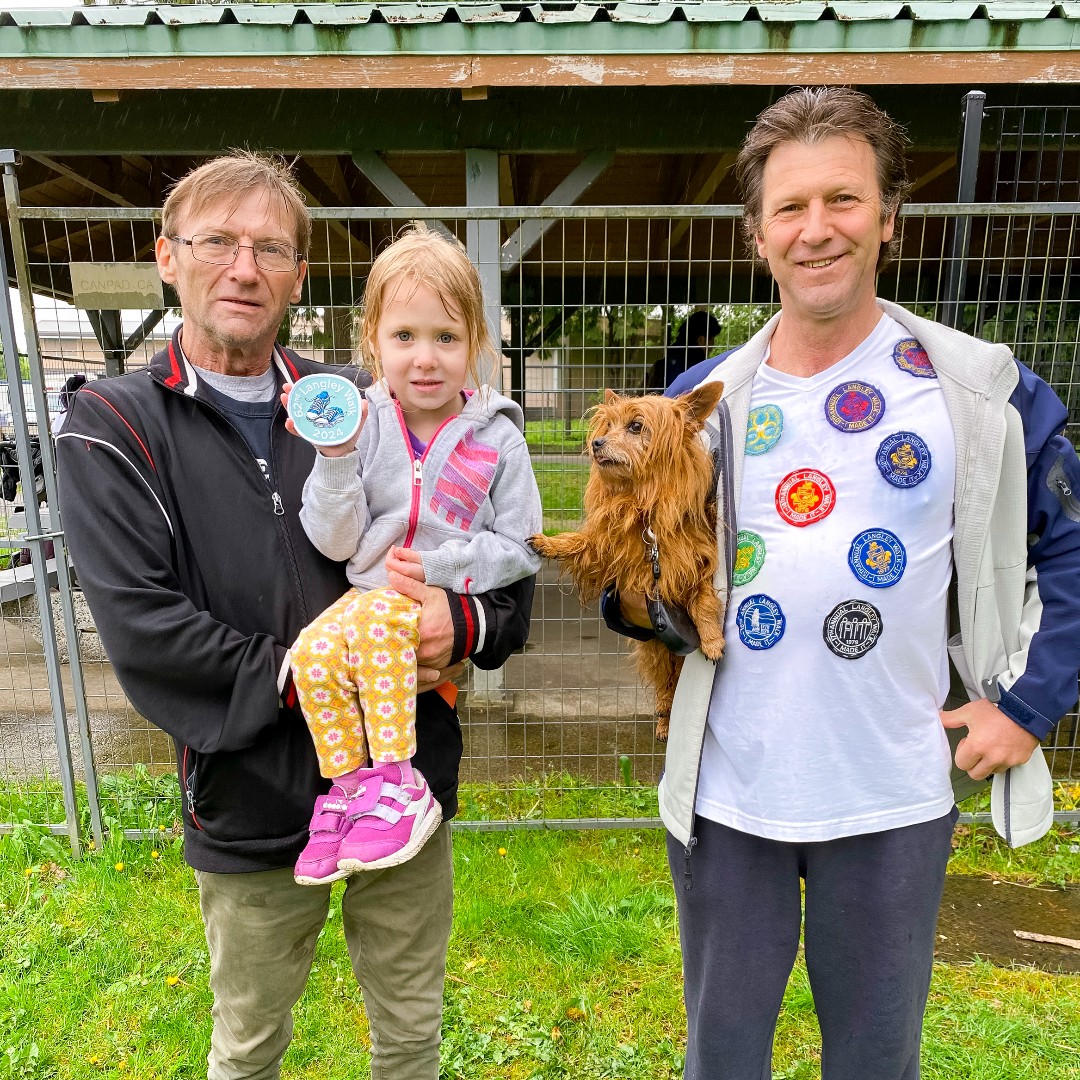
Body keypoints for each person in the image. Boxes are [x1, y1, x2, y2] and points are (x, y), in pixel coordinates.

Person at [604, 87, 1080, 1079]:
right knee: (723, 1056)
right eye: (790, 207)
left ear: (889, 218)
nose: (817, 229)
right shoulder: (710, 407)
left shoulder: (976, 392)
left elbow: (1072, 545)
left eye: (844, 200)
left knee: (873, 1059)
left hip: (893, 792)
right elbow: (634, 568)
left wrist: (1029, 707)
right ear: (757, 234)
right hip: (732, 793)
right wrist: (641, 605)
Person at [55, 151, 534, 1080]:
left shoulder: (367, 403)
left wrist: (458, 627)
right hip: (252, 800)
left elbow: (505, 595)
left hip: (406, 785)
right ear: (167, 256)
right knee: (249, 1043)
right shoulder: (114, 427)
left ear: (300, 276)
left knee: (409, 1034)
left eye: (270, 249)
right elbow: (145, 629)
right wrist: (328, 663)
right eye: (217, 242)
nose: (244, 267)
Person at [286, 224, 541, 884]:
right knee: (310, 655)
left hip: (423, 603)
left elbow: (522, 548)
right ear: (372, 340)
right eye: (405, 337)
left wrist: (441, 569)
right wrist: (337, 460)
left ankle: (398, 785)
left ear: (476, 343)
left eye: (446, 337)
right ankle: (347, 790)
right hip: (364, 595)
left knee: (372, 628)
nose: (425, 358)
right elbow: (337, 543)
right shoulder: (361, 422)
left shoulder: (500, 440)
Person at [646, 309, 721, 391]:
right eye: (712, 340)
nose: (712, 346)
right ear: (701, 340)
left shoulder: (670, 357)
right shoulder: (697, 364)